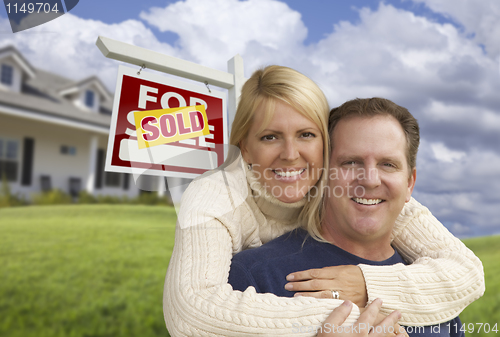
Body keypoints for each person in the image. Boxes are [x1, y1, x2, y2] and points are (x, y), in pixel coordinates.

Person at [163, 66, 485, 336]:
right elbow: (192, 309)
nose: (291, 156)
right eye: (269, 136)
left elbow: (466, 272)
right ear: (244, 148)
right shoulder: (218, 200)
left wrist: (367, 285)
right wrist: (346, 321)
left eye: (306, 134)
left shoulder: (379, 203)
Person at [228, 97, 469, 336]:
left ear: (409, 184)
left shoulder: (438, 293)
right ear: (323, 174)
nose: (370, 180)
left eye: (388, 164)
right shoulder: (254, 277)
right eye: (351, 162)